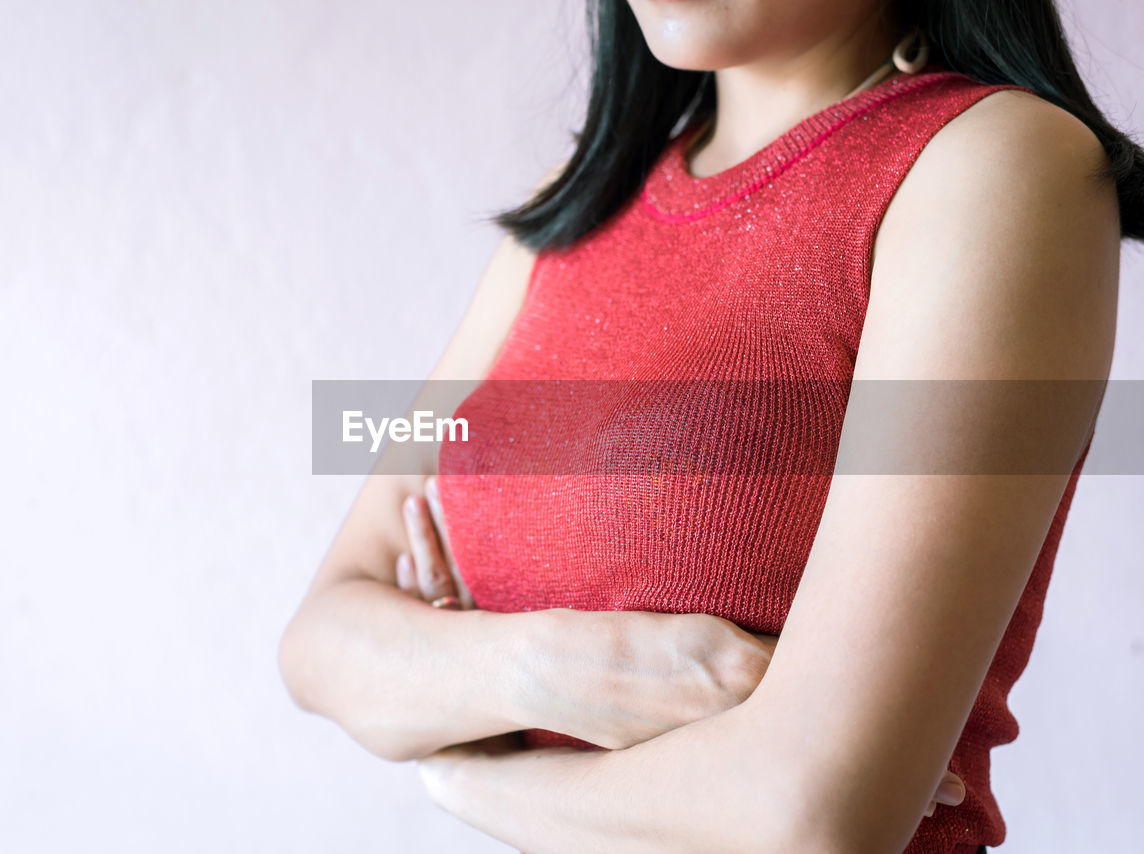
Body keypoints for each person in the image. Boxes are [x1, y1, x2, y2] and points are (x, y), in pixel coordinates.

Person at [281, 1, 1139, 851]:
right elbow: (322, 639)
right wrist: (559, 669)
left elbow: (810, 817)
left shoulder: (994, 164)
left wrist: (465, 771)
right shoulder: (580, 203)